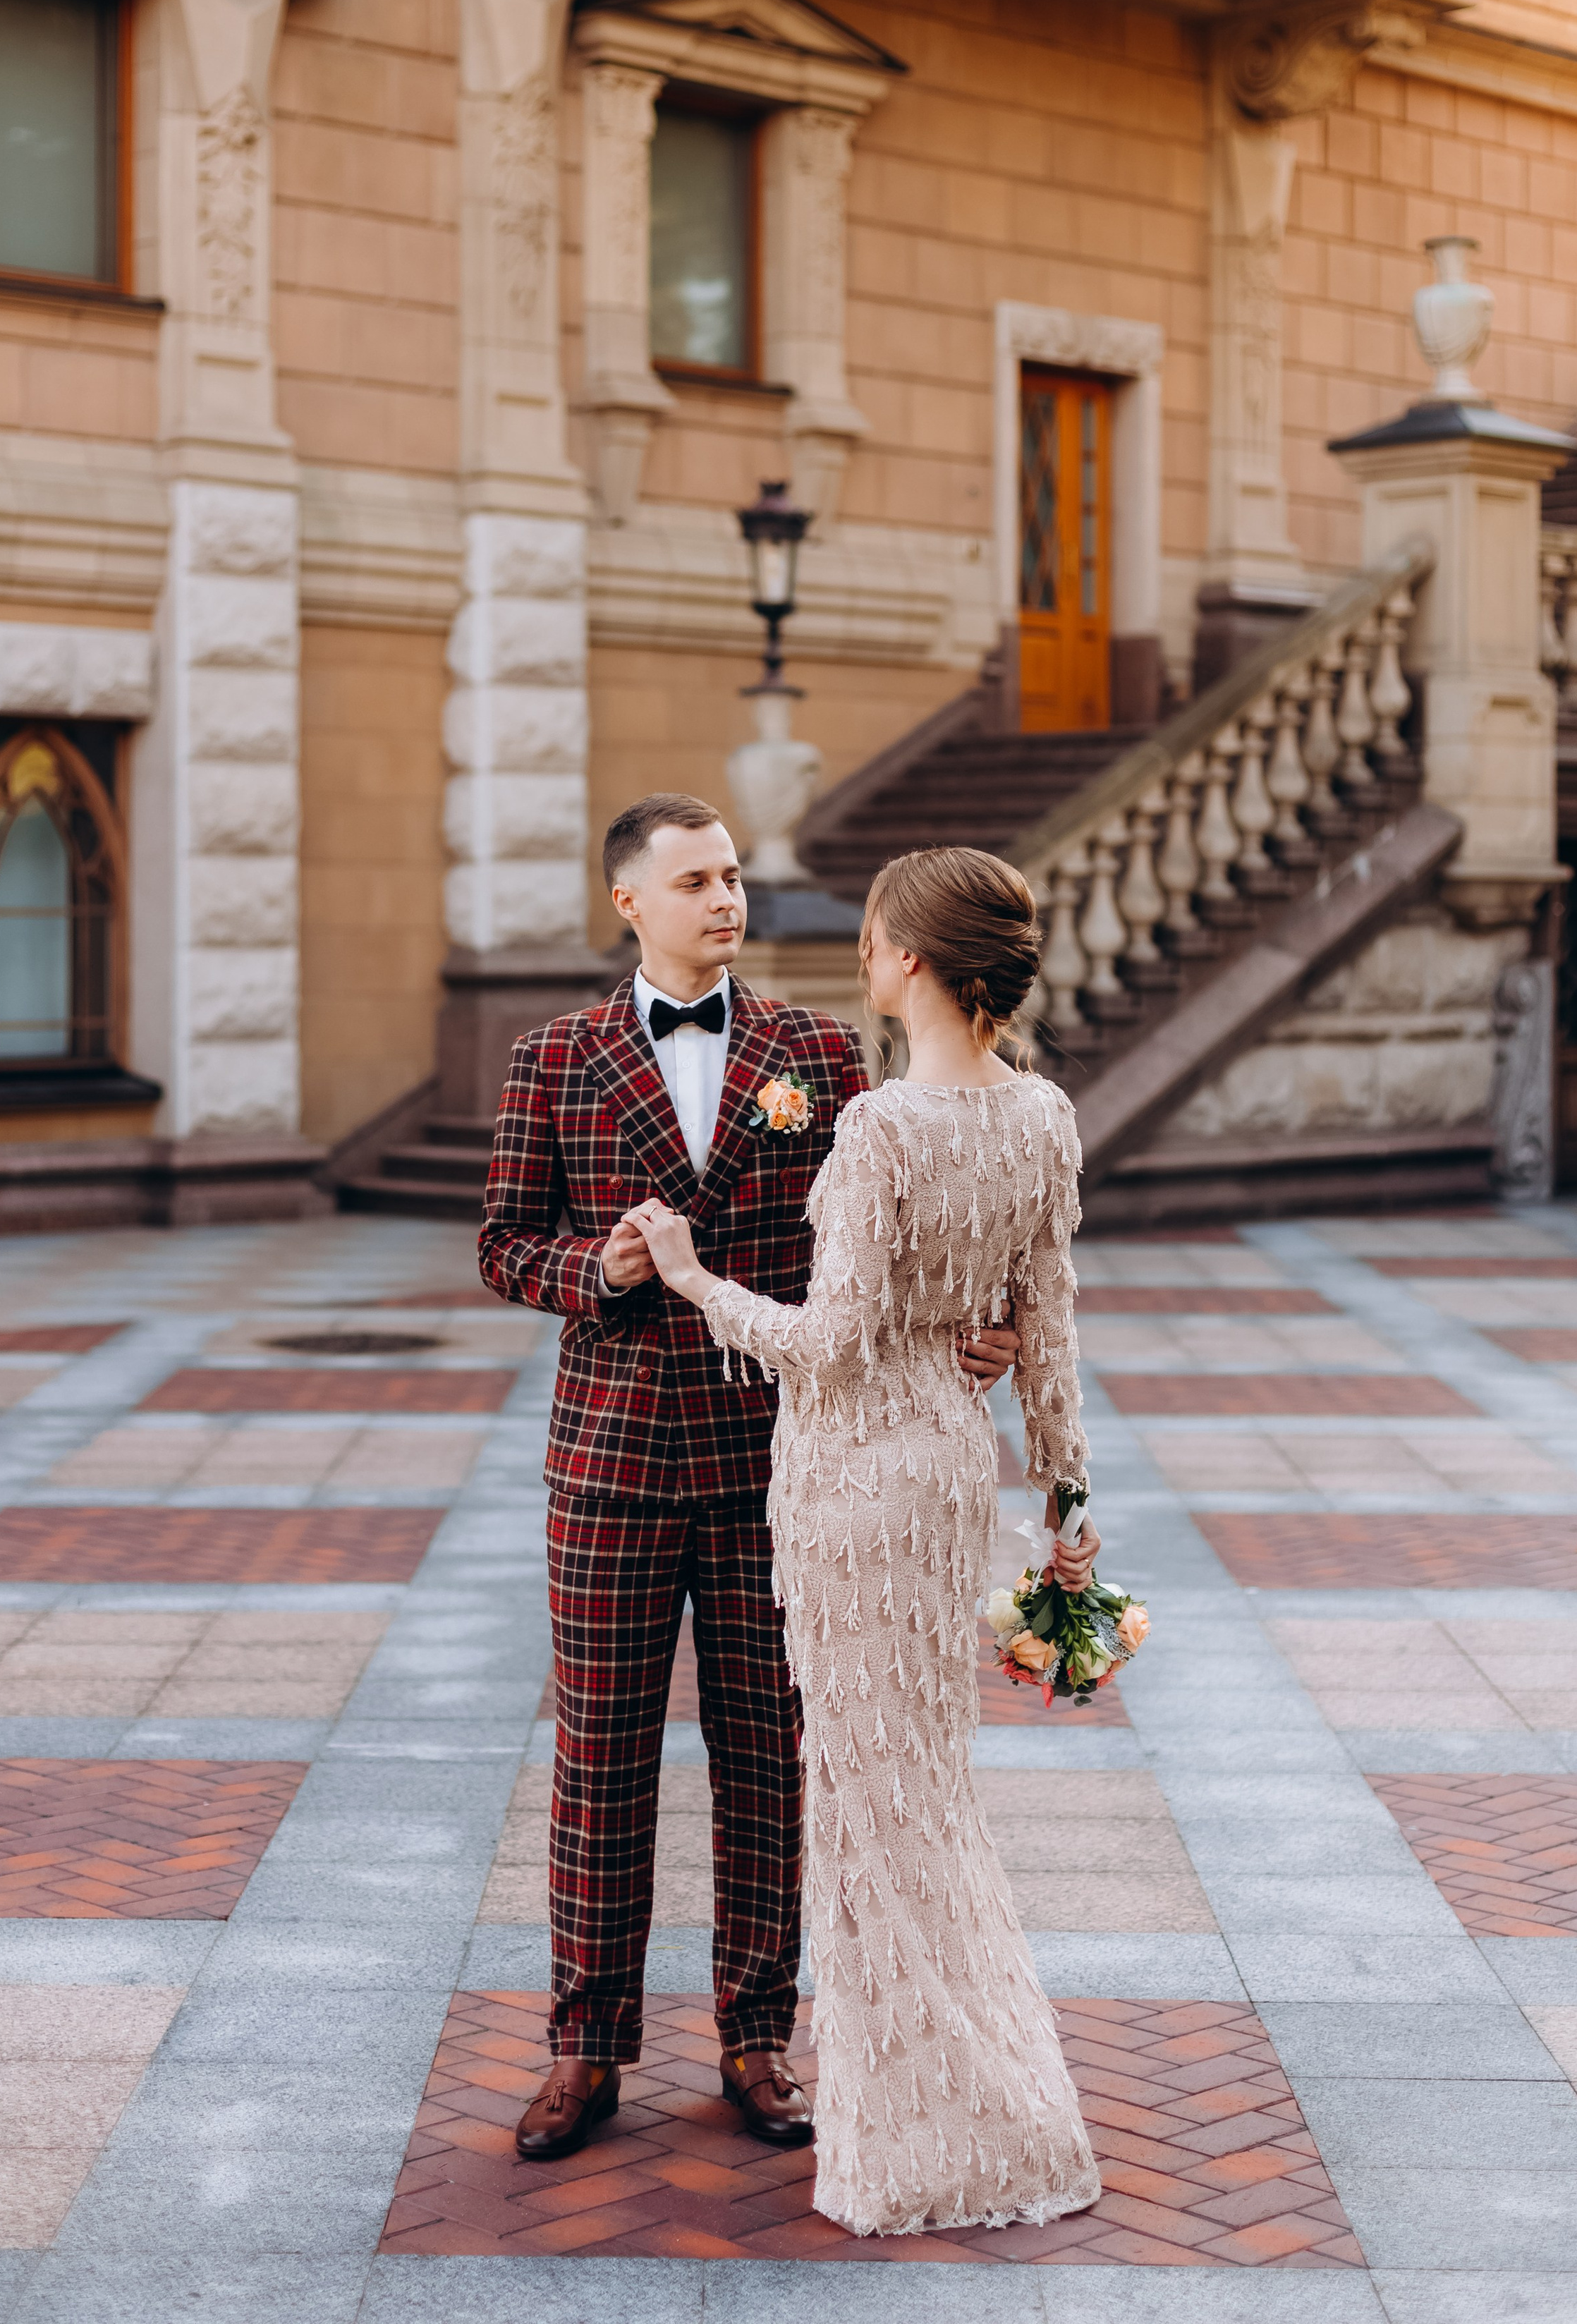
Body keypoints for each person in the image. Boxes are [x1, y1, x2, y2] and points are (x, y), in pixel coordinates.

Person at [478, 796, 1029, 2164]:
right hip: (604, 1465)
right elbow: (500, 1244)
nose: (723, 899)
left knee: (764, 1767)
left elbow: (883, 1240)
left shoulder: (812, 1051)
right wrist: (585, 1272)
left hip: (776, 1466)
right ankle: (582, 2045)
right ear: (628, 903)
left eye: (730, 877)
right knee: (595, 1765)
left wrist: (966, 1320)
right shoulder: (552, 1058)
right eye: (693, 881)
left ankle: (754, 2037)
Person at [633, 841, 1104, 2237]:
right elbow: (1050, 1338)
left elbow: (826, 1347)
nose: (859, 947)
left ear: (906, 958)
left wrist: (691, 1278)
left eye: (871, 931)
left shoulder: (882, 1129)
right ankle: (981, 2103)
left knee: (860, 1797)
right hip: (948, 1475)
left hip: (851, 1484)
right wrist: (1066, 1513)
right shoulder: (1041, 1120)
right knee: (921, 1786)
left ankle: (914, 2137)